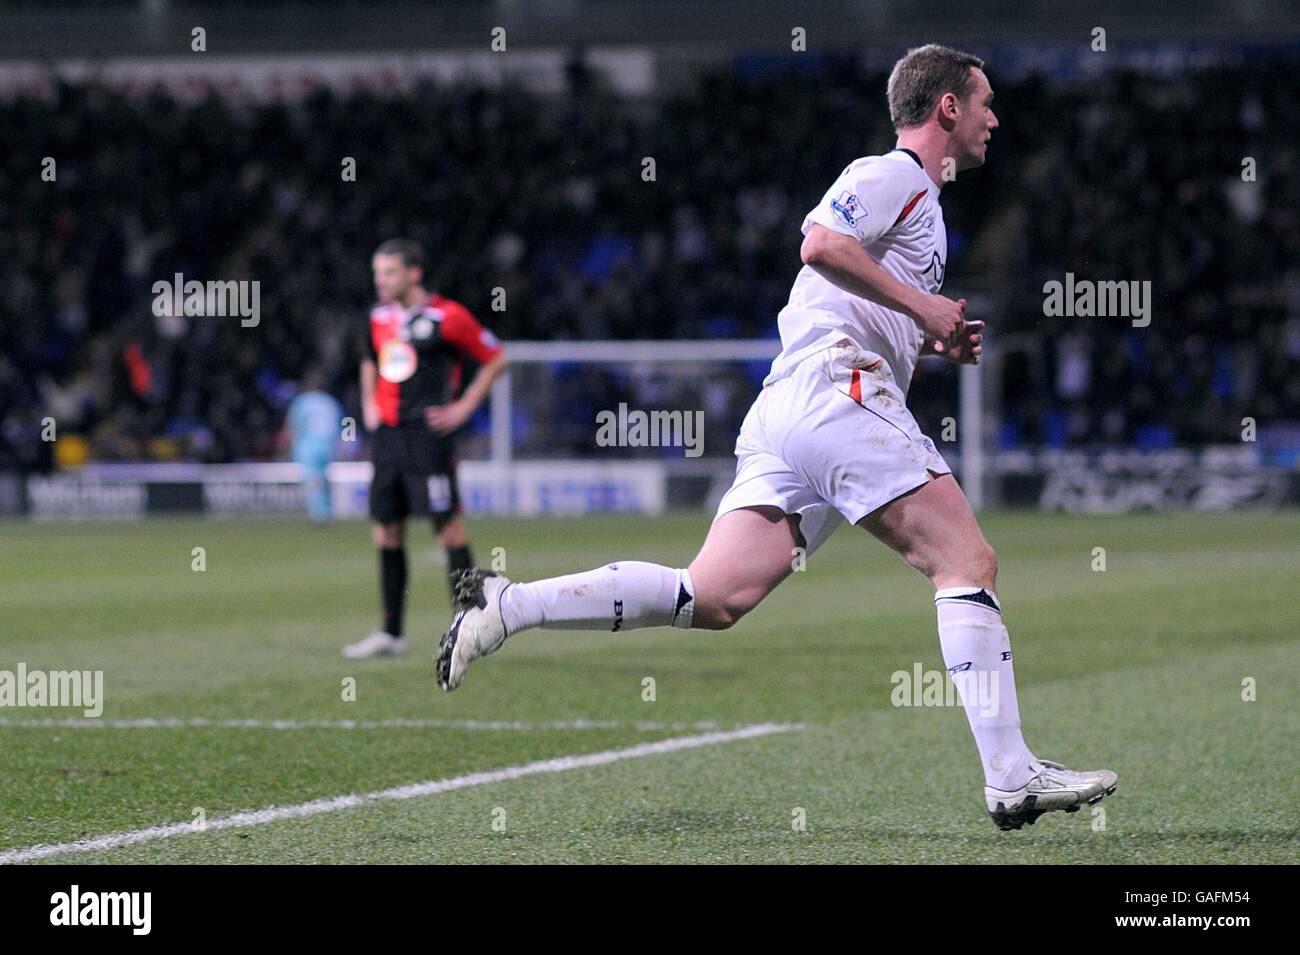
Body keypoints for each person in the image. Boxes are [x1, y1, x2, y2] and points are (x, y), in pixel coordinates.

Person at [434, 45, 1117, 830]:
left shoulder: (922, 206)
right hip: (837, 390)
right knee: (964, 561)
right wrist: (926, 311)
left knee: (713, 596)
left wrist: (929, 337)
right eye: (986, 100)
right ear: (948, 108)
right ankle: (1011, 774)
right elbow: (820, 243)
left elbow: (853, 292)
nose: (997, 116)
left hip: (792, 407)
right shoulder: (894, 174)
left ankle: (507, 605)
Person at [343, 239, 508, 660]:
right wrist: (368, 405)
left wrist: (464, 407)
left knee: (448, 529)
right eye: (377, 273)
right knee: (386, 530)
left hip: (428, 438)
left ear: (414, 273)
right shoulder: (377, 317)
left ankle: (472, 626)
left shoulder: (447, 316)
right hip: (388, 440)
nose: (380, 281)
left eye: (389, 273)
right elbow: (368, 359)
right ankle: (391, 633)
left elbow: (495, 357)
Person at [283, 370, 343, 524]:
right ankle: (328, 511)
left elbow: (294, 425)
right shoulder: (331, 402)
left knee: (312, 479)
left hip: (308, 446)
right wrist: (344, 443)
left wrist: (288, 446)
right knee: (324, 478)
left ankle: (320, 514)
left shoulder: (302, 402)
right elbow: (346, 423)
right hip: (328, 446)